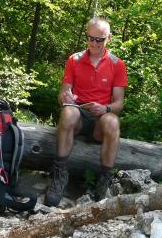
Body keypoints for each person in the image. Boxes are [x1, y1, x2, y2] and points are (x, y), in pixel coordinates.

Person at [44, 17, 127, 206]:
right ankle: (59, 176)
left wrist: (104, 108)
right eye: (91, 38)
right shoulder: (74, 59)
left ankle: (104, 182)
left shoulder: (117, 64)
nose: (94, 43)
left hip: (101, 119)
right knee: (68, 112)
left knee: (113, 121)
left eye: (100, 39)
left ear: (109, 38)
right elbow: (63, 93)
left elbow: (119, 103)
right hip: (79, 115)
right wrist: (66, 97)